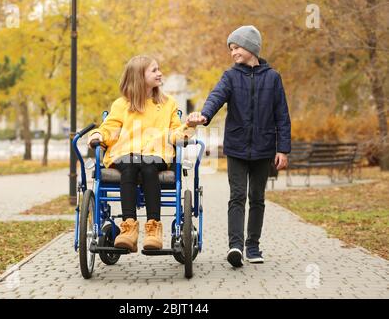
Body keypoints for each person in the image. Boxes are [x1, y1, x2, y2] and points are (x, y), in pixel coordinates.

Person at [187, 25, 291, 267]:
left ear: (251, 47)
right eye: (230, 49)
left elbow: (282, 116)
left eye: (236, 48)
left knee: (257, 198)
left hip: (264, 148)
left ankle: (253, 246)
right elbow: (216, 96)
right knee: (237, 196)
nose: (233, 53)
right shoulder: (230, 76)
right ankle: (235, 246)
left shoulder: (273, 78)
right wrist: (204, 115)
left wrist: (283, 149)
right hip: (236, 147)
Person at [87, 55, 197, 252]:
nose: (160, 73)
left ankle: (153, 228)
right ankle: (129, 228)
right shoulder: (121, 105)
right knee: (129, 167)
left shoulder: (168, 103)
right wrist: (97, 135)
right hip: (126, 153)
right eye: (154, 70)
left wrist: (188, 127)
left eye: (158, 69)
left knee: (147, 166)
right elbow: (109, 129)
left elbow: (175, 133)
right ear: (139, 76)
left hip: (156, 154)